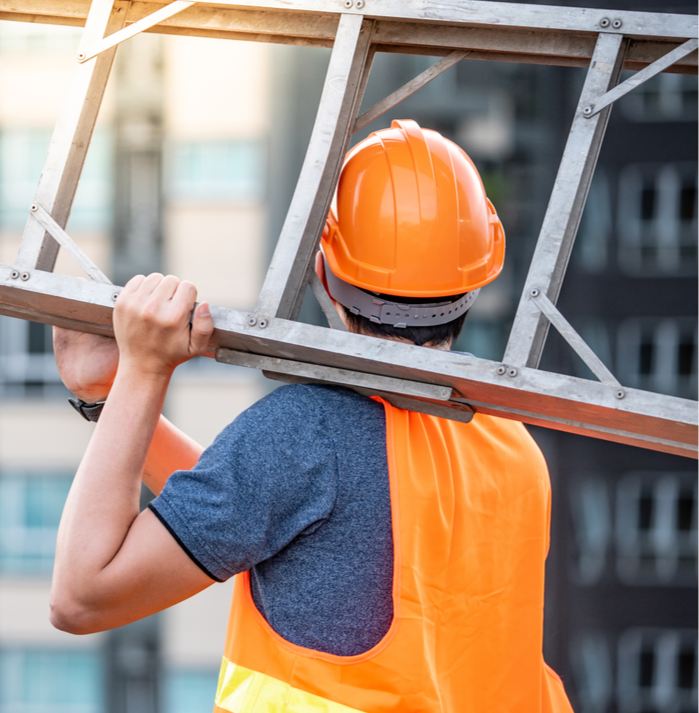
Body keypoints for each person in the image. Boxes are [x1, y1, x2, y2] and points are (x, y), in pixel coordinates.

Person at [50, 120, 574, 713]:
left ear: (323, 270)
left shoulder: (308, 434)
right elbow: (266, 512)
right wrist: (108, 398)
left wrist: (143, 373)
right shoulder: (507, 441)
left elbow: (80, 598)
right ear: (479, 277)